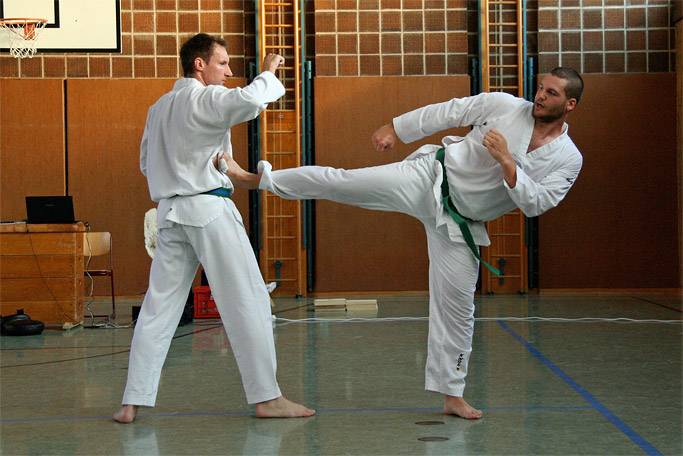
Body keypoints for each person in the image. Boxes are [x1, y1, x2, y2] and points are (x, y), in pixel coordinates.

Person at [220, 67, 584, 419]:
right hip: (430, 177)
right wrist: (396, 126)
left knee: (458, 309)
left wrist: (506, 160)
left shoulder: (568, 158)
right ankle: (259, 179)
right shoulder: (505, 105)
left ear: (569, 104)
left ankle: (452, 395)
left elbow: (537, 203)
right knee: (345, 182)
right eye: (541, 87)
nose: (539, 95)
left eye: (551, 92)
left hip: (461, 224)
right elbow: (450, 110)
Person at [113, 33, 315, 423]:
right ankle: (267, 397)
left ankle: (131, 402)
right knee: (248, 299)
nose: (229, 71)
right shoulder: (201, 97)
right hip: (208, 210)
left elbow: (145, 163)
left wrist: (198, 166)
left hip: (170, 213)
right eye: (222, 63)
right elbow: (252, 100)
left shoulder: (158, 108)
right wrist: (268, 71)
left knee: (158, 309)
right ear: (199, 65)